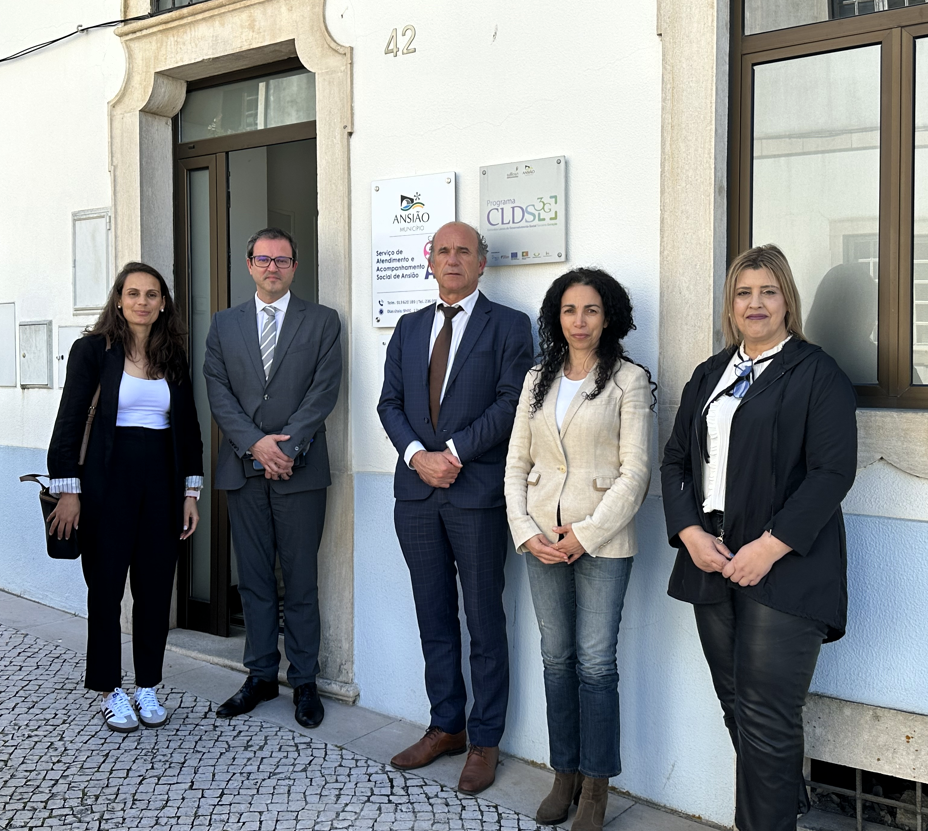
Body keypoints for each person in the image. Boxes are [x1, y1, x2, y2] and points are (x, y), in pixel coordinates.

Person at [661, 244, 858, 831]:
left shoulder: (817, 373)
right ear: (730, 305)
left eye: (768, 292)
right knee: (738, 710)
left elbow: (832, 473)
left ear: (787, 301)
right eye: (744, 293)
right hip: (711, 558)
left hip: (785, 565)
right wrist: (690, 532)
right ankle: (780, 807)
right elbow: (675, 461)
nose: (755, 303)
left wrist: (769, 548)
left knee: (767, 717)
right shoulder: (710, 374)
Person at [377, 221, 533, 794]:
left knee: (484, 620)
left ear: (481, 262)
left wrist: (455, 453)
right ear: (430, 260)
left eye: (463, 251)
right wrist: (418, 456)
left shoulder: (510, 325)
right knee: (434, 615)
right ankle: (446, 725)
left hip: (476, 494)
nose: (452, 259)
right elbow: (389, 403)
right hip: (416, 494)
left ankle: (485, 739)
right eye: (442, 251)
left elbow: (512, 402)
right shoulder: (409, 326)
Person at [504, 268, 653, 830]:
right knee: (555, 658)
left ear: (608, 316)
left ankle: (595, 785)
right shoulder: (536, 378)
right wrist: (525, 531)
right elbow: (516, 463)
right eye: (569, 310)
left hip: (603, 542)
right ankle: (563, 772)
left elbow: (635, 473)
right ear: (556, 317)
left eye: (591, 309)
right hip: (541, 540)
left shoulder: (629, 380)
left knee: (595, 663)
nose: (580, 320)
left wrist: (585, 534)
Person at [47, 262, 204, 733]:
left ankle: (148, 685)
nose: (142, 302)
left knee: (155, 591)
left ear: (163, 304)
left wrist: (190, 492)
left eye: (152, 294)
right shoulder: (92, 351)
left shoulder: (172, 355)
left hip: (161, 484)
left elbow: (189, 428)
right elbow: (69, 422)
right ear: (118, 299)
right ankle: (109, 688)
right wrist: (68, 491)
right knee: (106, 589)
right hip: (105, 484)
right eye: (133, 293)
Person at [203, 227, 342, 729]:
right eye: (263, 259)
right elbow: (218, 390)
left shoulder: (322, 321)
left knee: (300, 581)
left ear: (294, 267)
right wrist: (255, 443)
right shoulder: (224, 324)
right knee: (256, 579)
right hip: (243, 470)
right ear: (249, 265)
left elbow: (324, 391)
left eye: (282, 260)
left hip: (300, 471)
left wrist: (285, 447)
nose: (272, 268)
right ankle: (260, 675)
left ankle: (304, 680)